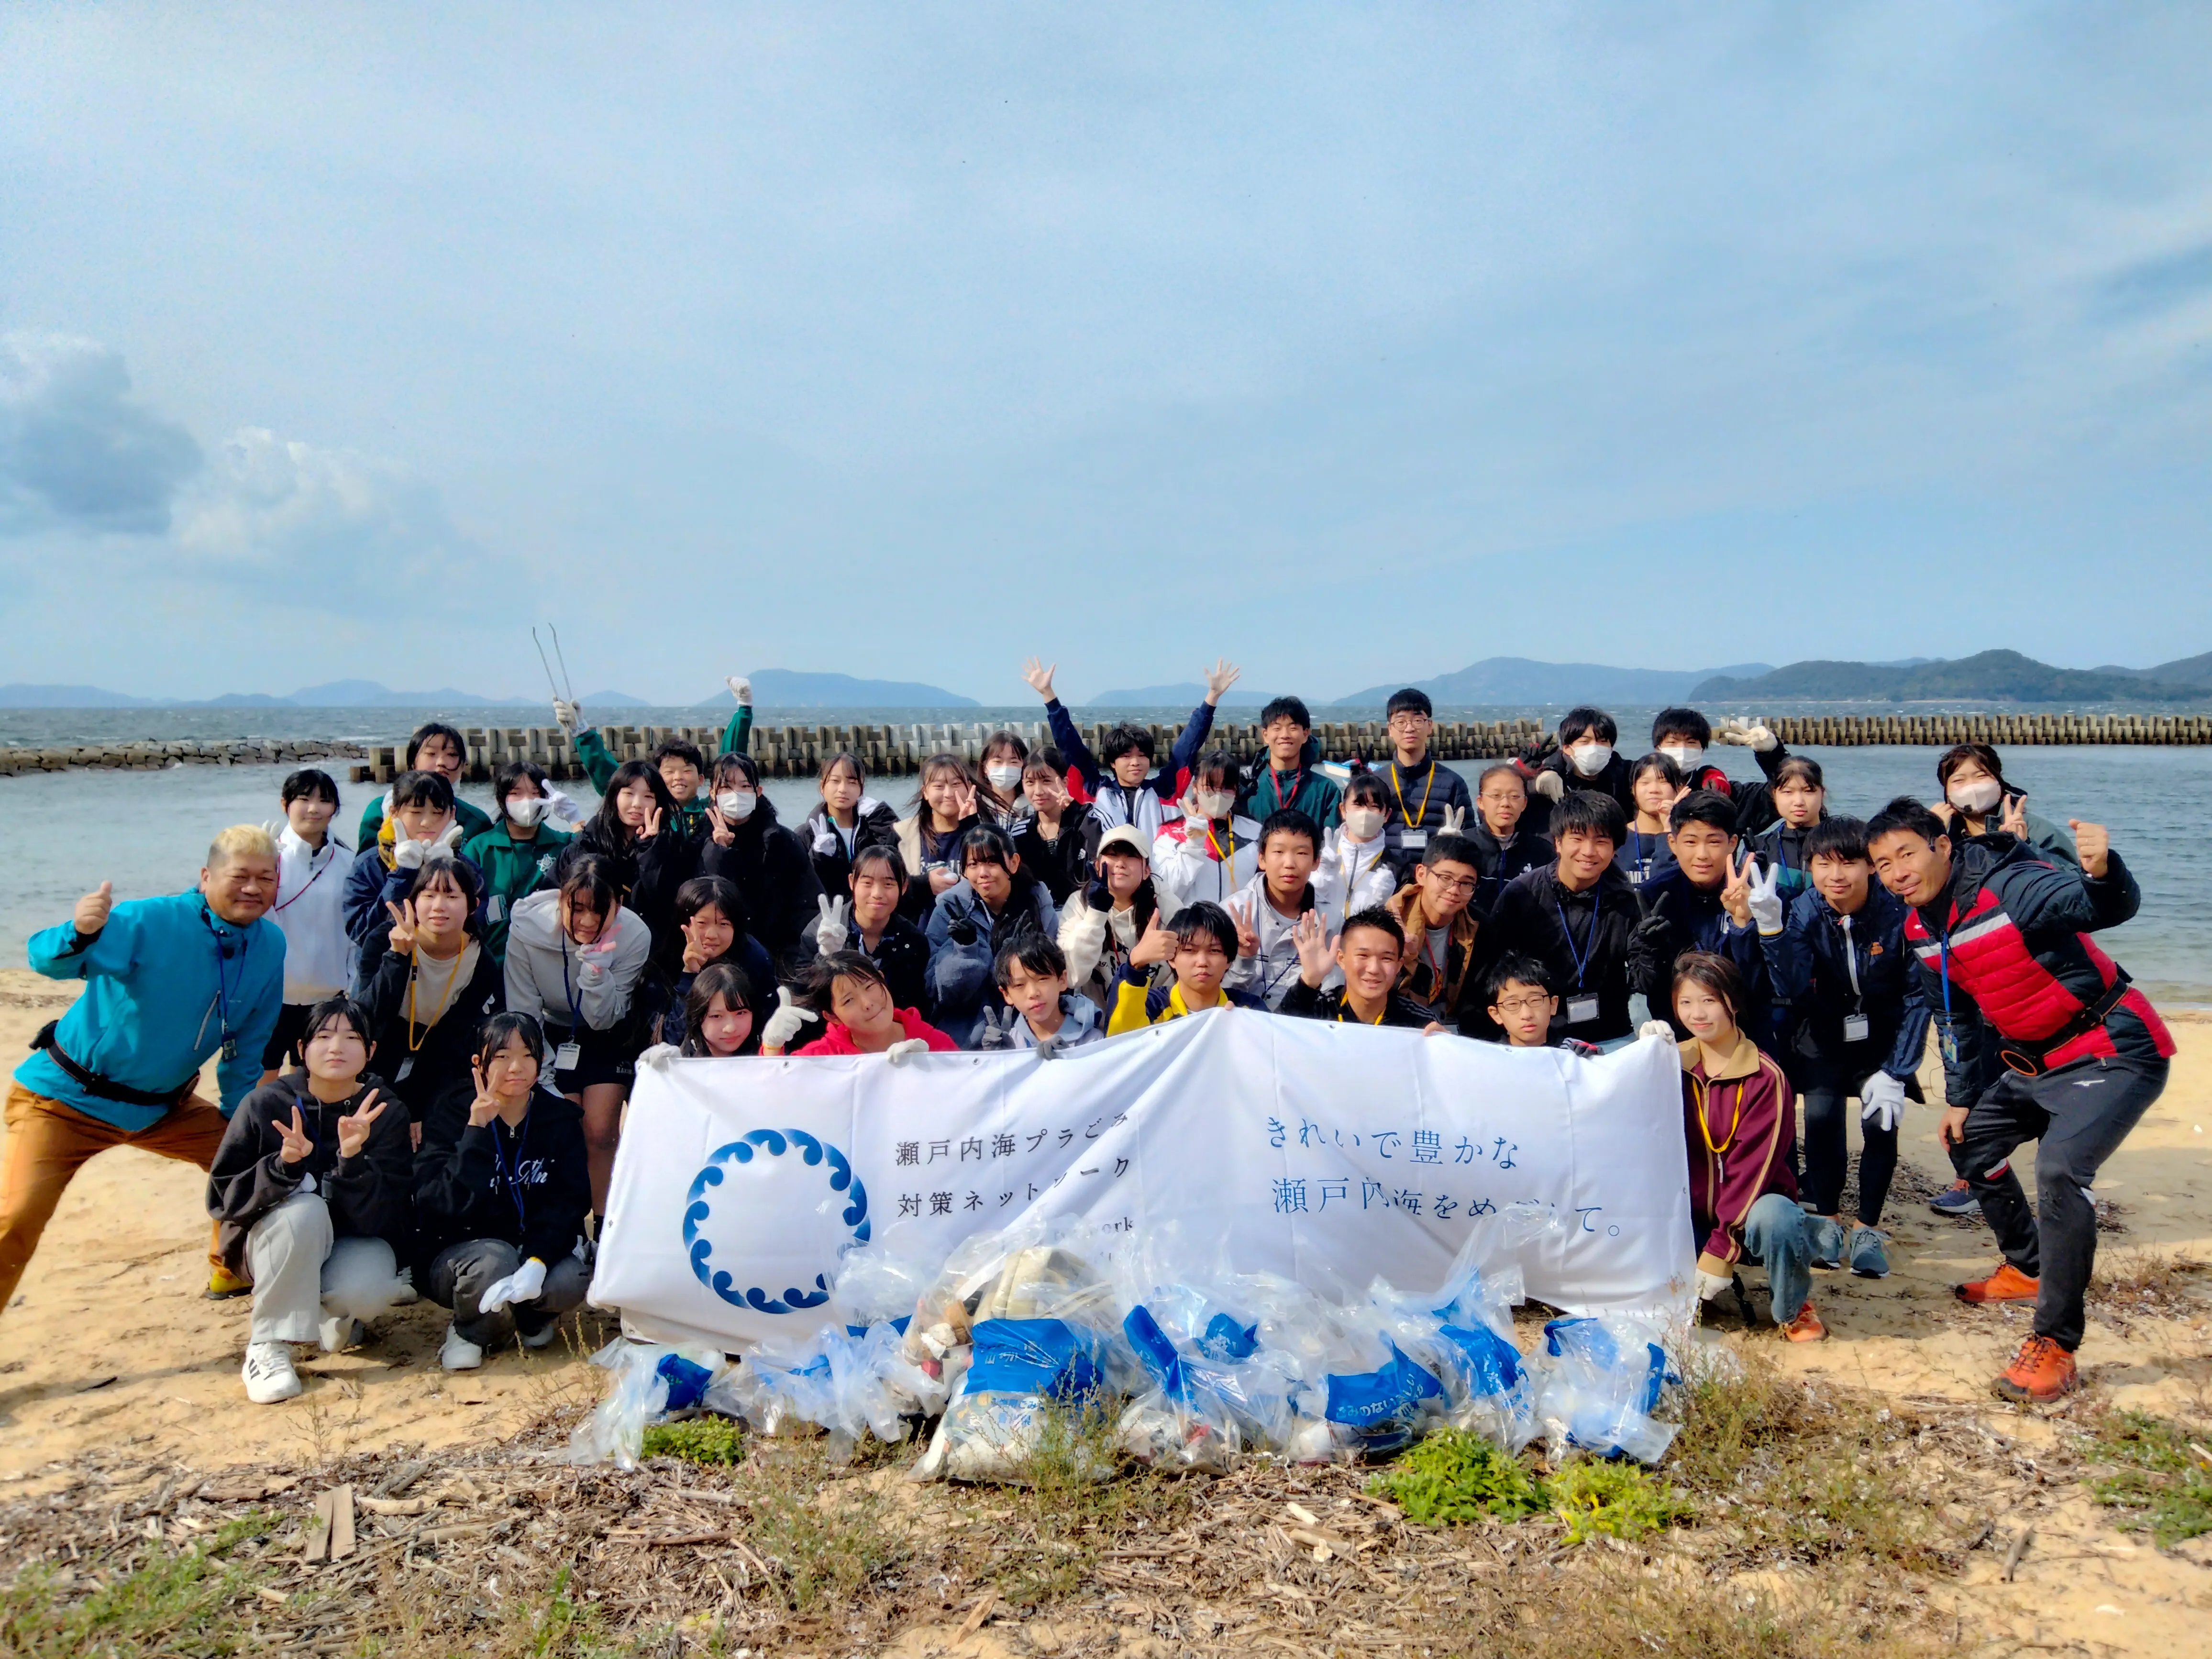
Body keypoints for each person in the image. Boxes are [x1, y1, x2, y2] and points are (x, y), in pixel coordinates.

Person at [1869, 796, 2170, 1402]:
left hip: (2111, 1049)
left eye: (1907, 853)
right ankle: (2028, 1266)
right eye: (1882, 864)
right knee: (1971, 1144)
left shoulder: (2011, 886)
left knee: (2059, 1172)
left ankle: (2055, 1344)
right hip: (2032, 1064)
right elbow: (1950, 1016)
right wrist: (1959, 1098)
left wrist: (2103, 872)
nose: (1897, 871)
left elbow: (2100, 907)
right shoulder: (1918, 927)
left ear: (1943, 846)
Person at [5, 828, 285, 1311]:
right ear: (206, 877)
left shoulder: (269, 944)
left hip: (161, 1107)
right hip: (66, 1100)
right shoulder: (150, 920)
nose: (253, 888)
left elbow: (250, 1045)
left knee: (252, 1163)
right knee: (16, 1217)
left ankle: (229, 1271)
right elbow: (45, 961)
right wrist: (80, 931)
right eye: (240, 876)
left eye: (266, 878)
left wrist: (240, 1120)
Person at [208, 997, 414, 1403]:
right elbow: (223, 1197)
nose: (336, 1047)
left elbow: (389, 1213)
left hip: (350, 1239)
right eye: (323, 1037)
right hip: (272, 1244)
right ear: (301, 1050)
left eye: (352, 1037)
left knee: (371, 1289)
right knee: (304, 1211)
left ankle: (336, 1314)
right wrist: (282, 1167)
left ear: (371, 1051)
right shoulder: (266, 1104)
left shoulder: (385, 1111)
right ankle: (267, 1346)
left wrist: (352, 1159)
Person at [1763, 817, 1928, 1279]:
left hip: (1881, 1035)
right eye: (1824, 864)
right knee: (1819, 1119)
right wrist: (1771, 931)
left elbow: (1919, 995)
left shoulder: (1895, 912)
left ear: (1871, 868)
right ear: (1809, 866)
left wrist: (1897, 1071)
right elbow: (1791, 985)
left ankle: (1869, 1228)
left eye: (1850, 863)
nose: (1837, 875)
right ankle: (1830, 1221)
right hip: (1821, 1033)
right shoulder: (1802, 910)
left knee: (1882, 1122)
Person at [413, 1014, 593, 1371]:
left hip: (530, 1249)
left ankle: (528, 1318)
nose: (517, 1067)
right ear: (479, 1062)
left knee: (572, 1279)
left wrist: (539, 1259)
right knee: (494, 1263)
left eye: (528, 1055)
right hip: (465, 1255)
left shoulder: (559, 1117)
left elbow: (571, 1201)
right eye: (502, 1056)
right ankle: (470, 1331)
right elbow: (438, 1201)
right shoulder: (450, 1111)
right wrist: (476, 1130)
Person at [1673, 951, 1823, 1342]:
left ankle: (1792, 1306)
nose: (1697, 1014)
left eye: (1709, 1001)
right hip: (1691, 1212)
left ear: (1733, 1003)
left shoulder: (1764, 1077)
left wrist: (1721, 1246)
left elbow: (1752, 1171)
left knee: (1779, 1219)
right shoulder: (1672, 1065)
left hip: (1751, 1209)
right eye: (1686, 1002)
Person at [504, 855, 653, 1214]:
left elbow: (605, 1019)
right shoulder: (527, 928)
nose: (588, 922)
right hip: (547, 1030)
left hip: (607, 1030)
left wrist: (598, 978)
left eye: (601, 910)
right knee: (564, 1127)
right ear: (561, 899)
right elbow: (523, 1009)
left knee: (601, 1132)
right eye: (578, 908)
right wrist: (543, 1071)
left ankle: (603, 1228)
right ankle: (565, 1226)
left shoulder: (634, 934)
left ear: (620, 902)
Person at [1482, 792, 1641, 1044]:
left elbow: (1639, 974)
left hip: (1610, 1034)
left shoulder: (1625, 898)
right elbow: (1494, 972)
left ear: (1615, 848)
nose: (1588, 852)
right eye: (1577, 839)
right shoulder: (1522, 895)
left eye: (1601, 841)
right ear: (1557, 843)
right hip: (1540, 1038)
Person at [1023, 656, 1238, 838]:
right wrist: (1048, 696)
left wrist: (1212, 698)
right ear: (1112, 763)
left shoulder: (1165, 791)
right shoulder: (1094, 791)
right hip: (1108, 883)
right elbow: (1070, 747)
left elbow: (1187, 747)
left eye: (1142, 755)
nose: (1136, 762)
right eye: (1126, 756)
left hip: (1157, 883)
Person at [356, 856, 506, 1112]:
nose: (439, 906)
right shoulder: (383, 940)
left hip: (439, 1058)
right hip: (378, 1047)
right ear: (413, 901)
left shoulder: (479, 961)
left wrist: (417, 1107)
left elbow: (452, 1039)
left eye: (451, 897)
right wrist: (397, 958)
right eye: (429, 895)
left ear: (473, 905)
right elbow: (366, 1016)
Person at [1630, 792, 1779, 1041]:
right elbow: (1644, 984)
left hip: (1746, 1031)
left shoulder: (1760, 894)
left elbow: (1767, 983)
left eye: (1713, 842)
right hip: (1679, 1033)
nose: (1702, 854)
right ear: (1672, 843)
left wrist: (1745, 925)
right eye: (1690, 842)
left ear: (1733, 843)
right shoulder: (1652, 896)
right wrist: (1647, 950)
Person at [555, 676, 754, 836]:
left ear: (702, 779)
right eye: (669, 772)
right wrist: (581, 732)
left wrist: (744, 710)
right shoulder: (648, 813)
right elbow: (614, 781)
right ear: (656, 779)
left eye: (686, 771)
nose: (678, 778)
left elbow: (729, 766)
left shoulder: (711, 811)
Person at [261, 768, 358, 1083]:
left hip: (327, 995)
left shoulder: (348, 863)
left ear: (335, 809)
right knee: (263, 1077)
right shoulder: (266, 858)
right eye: (304, 799)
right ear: (285, 804)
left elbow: (355, 932)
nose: (314, 808)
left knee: (310, 1080)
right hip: (272, 995)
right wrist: (260, 866)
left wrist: (354, 985)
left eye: (324, 801)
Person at [925, 826, 1060, 1044]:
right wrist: (966, 951)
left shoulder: (1037, 901)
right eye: (973, 865)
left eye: (991, 862)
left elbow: (1051, 973)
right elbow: (940, 992)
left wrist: (1016, 959)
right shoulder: (949, 908)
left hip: (1028, 1027)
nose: (983, 873)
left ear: (1014, 863)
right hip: (968, 1034)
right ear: (964, 871)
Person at [698, 751, 823, 958]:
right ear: (713, 793)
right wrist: (718, 852)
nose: (736, 794)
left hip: (777, 956)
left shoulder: (781, 841)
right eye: (727, 787)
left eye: (745, 786)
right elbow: (699, 903)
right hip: (717, 957)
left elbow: (808, 904)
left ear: (758, 792)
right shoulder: (700, 840)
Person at [342, 770, 479, 956]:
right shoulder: (369, 865)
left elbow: (478, 932)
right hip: (383, 977)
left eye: (437, 813)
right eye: (416, 812)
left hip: (449, 977)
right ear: (394, 813)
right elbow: (361, 933)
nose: (426, 822)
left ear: (452, 814)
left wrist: (446, 872)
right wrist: (402, 874)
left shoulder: (467, 868)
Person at [570, 759, 694, 945]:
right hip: (591, 939)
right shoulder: (590, 839)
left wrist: (651, 848)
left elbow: (667, 901)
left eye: (648, 797)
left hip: (649, 945)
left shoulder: (670, 844)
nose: (637, 804)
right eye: (629, 794)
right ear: (614, 796)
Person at [463, 760, 572, 962]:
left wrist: (576, 821)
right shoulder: (480, 848)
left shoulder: (564, 844)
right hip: (491, 963)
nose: (527, 801)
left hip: (547, 962)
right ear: (502, 799)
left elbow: (597, 857)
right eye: (516, 793)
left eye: (535, 793)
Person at [810, 845, 934, 1018]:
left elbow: (919, 1007)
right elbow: (808, 1001)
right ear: (851, 882)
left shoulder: (914, 942)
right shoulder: (820, 933)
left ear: (904, 887)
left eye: (888, 884)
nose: (877, 893)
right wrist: (825, 956)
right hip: (838, 1036)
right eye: (867, 883)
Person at [761, 951, 959, 1058]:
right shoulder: (822, 1058)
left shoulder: (936, 1044)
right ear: (832, 1017)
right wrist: (772, 1047)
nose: (867, 1003)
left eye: (870, 986)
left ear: (882, 980)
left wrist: (931, 1072)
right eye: (848, 1000)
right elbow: (778, 1094)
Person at [1106, 902, 1267, 1032]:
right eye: (1190, 950)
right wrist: (1135, 965)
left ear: (1229, 960)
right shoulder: (1152, 1006)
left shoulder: (1248, 1009)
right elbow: (1119, 1042)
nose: (1202, 961)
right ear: (1171, 958)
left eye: (1215, 951)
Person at [656, 875, 775, 1050]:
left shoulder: (755, 959)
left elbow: (769, 1027)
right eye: (702, 923)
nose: (712, 934)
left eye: (724, 924)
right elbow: (668, 1041)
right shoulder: (665, 959)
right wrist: (689, 975)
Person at [1223, 809, 1324, 1009]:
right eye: (1279, 852)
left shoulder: (1330, 921)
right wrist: (1243, 960)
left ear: (1316, 862)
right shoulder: (1232, 913)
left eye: (1302, 853)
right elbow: (1212, 992)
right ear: (1261, 858)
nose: (1289, 864)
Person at [1057, 826, 1161, 1012]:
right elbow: (1072, 977)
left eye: (1131, 856)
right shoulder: (1079, 904)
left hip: (1157, 1020)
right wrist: (1096, 913)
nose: (1120, 864)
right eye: (1112, 855)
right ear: (1097, 866)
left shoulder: (1163, 903)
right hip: (1101, 1028)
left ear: (1146, 871)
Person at [1388, 834, 1489, 1026]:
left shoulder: (1480, 930)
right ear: (1421, 874)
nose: (1454, 890)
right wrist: (1406, 962)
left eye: (1466, 883)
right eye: (1445, 878)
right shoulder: (1387, 925)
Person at [1279, 908, 1439, 1028]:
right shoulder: (1318, 1010)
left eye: (1386, 958)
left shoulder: (1420, 1023)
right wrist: (1309, 981)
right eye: (1363, 956)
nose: (1374, 969)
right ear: (1341, 959)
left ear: (1399, 965)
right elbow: (1275, 1038)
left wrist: (1443, 1044)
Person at [1648, 707, 1790, 836]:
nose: (1682, 749)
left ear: (1702, 749)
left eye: (1691, 743)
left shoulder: (1725, 795)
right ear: (1658, 748)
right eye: (1672, 743)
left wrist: (1773, 755)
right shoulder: (1642, 794)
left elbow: (1785, 795)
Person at [1150, 750, 1261, 914]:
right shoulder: (1170, 833)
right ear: (1195, 787)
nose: (1218, 794)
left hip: (1240, 934)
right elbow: (1164, 892)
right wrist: (1192, 847)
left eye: (1226, 788)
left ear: (1236, 790)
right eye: (1210, 787)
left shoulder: (1256, 833)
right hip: (1189, 934)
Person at [1932, 743, 2079, 867]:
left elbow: (2073, 881)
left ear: (1999, 781)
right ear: (1947, 792)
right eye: (1959, 781)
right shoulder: (1945, 835)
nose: (1972, 787)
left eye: (1981, 776)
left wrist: (2023, 846)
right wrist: (1928, 835)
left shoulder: (2037, 829)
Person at [1371, 689, 1473, 866]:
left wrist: (1455, 843)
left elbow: (1472, 843)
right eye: (1401, 722)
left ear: (1430, 726)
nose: (1410, 728)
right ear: (1390, 729)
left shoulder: (1453, 783)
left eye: (1418, 721)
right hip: (1385, 883)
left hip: (1435, 883)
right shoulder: (1376, 782)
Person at [356, 722, 492, 848]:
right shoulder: (378, 812)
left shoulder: (476, 822)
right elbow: (365, 867)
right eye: (431, 754)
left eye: (451, 755)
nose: (441, 762)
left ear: (462, 766)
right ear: (413, 763)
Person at [976, 936, 1107, 1053]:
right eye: (1019, 985)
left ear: (1062, 980)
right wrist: (1000, 1062)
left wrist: (1070, 1062)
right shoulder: (1010, 1044)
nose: (1033, 993)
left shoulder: (1093, 1041)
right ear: (1006, 994)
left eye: (1042, 979)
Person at [893, 752, 980, 927]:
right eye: (939, 786)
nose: (948, 794)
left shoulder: (983, 832)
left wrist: (972, 827)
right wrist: (925, 885)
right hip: (918, 940)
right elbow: (887, 887)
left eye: (956, 784)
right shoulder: (903, 834)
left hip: (972, 937)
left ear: (970, 787)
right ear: (925, 792)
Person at [800, 752, 899, 900]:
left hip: (875, 912)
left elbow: (901, 860)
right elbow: (801, 886)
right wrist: (819, 856)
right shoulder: (806, 834)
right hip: (828, 918)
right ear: (822, 787)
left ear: (861, 788)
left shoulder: (873, 828)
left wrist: (883, 818)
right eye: (835, 781)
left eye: (852, 782)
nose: (843, 789)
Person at [1521, 706, 1635, 833]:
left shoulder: (1625, 776)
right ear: (1567, 748)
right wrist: (1530, 774)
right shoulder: (1554, 778)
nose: (1595, 748)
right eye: (1585, 742)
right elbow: (1512, 794)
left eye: (1603, 741)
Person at [1011, 750, 1102, 907]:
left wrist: (1076, 812)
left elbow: (1100, 850)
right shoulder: (1020, 832)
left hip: (1082, 911)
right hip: (1038, 915)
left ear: (1065, 782)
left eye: (1046, 781)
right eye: (1030, 783)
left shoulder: (1085, 820)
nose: (1038, 791)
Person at [1238, 696, 1342, 828]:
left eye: (1293, 728)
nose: (1285, 735)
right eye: (1277, 728)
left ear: (1305, 735)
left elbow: (1334, 844)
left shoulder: (1326, 790)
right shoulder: (1247, 788)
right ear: (1265, 735)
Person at [1313, 773, 1399, 929]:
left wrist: (1383, 904)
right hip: (1323, 943)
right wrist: (1320, 879)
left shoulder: (1396, 865)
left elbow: (1402, 922)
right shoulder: (1322, 855)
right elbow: (1299, 902)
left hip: (1366, 948)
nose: (1365, 813)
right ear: (1343, 810)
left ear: (1387, 815)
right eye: (1358, 805)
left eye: (1375, 807)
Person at [1466, 763, 1554, 915]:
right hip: (1471, 935)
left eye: (1514, 797)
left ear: (1524, 803)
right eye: (1496, 796)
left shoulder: (1543, 852)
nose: (1505, 804)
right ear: (1480, 802)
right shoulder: (1464, 845)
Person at [1747, 755, 1826, 907]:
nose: (1799, 802)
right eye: (1788, 792)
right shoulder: (1759, 847)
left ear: (1822, 793)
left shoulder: (1842, 842)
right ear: (1774, 794)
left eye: (1808, 791)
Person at [1482, 956, 1598, 1056]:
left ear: (1553, 1005)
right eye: (1512, 1004)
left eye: (1535, 1000)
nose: (1527, 1015)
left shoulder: (1575, 1052)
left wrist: (1596, 1061)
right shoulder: (1490, 1058)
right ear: (1496, 1014)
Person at [1615, 753, 1684, 891]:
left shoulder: (1687, 840)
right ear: (1633, 789)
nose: (1654, 790)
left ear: (1679, 789)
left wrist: (1668, 831)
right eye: (1645, 783)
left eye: (1663, 781)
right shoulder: (1616, 837)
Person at [677, 962, 757, 1058]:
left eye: (740, 1013)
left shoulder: (770, 1060)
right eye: (716, 1016)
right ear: (697, 1017)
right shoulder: (680, 1065)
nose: (730, 1028)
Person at [975, 731, 1036, 833]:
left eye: (1013, 762)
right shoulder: (976, 805)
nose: (1005, 768)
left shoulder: (1034, 804)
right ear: (985, 767)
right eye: (998, 762)